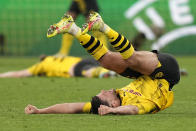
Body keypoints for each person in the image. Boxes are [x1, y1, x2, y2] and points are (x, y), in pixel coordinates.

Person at [24, 12, 180, 115]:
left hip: (148, 70)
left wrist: (41, 111)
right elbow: (132, 110)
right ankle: (87, 27)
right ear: (113, 104)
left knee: (113, 60)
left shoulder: (109, 102)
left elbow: (72, 107)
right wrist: (114, 112)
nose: (105, 89)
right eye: (104, 93)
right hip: (168, 73)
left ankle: (84, 27)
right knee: (117, 60)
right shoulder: (140, 104)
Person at [0, 55, 116, 78]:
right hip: (84, 60)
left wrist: (2, 75)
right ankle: (113, 69)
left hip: (74, 68)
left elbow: (19, 74)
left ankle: (104, 73)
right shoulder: (56, 57)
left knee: (87, 72)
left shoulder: (42, 65)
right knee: (102, 62)